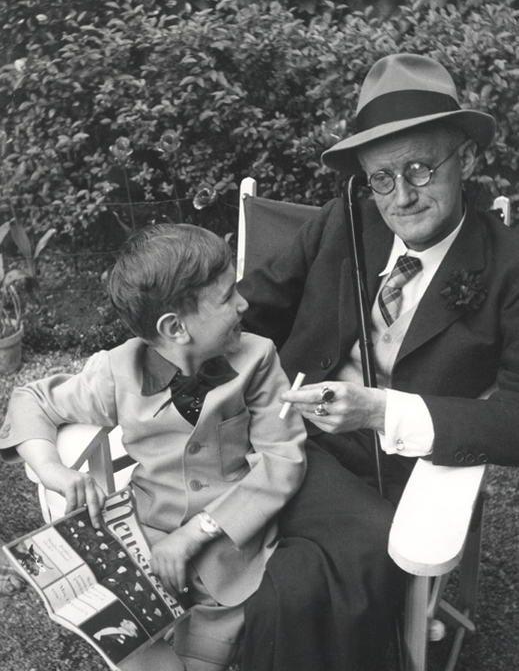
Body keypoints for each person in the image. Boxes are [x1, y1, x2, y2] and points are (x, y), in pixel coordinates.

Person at [238, 53, 519, 671]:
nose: (402, 196)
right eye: (382, 178)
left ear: (466, 159)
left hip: (397, 475)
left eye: (420, 167)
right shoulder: (346, 222)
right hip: (283, 440)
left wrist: (384, 411)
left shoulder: (507, 266)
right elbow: (250, 310)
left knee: (301, 582)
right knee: (300, 580)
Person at [0, 223, 307, 671]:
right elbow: (32, 400)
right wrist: (53, 471)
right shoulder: (116, 371)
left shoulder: (258, 359)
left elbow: (284, 459)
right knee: (132, 649)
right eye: (226, 298)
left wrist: (194, 533)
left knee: (207, 656)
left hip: (228, 554)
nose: (243, 304)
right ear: (174, 328)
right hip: (142, 538)